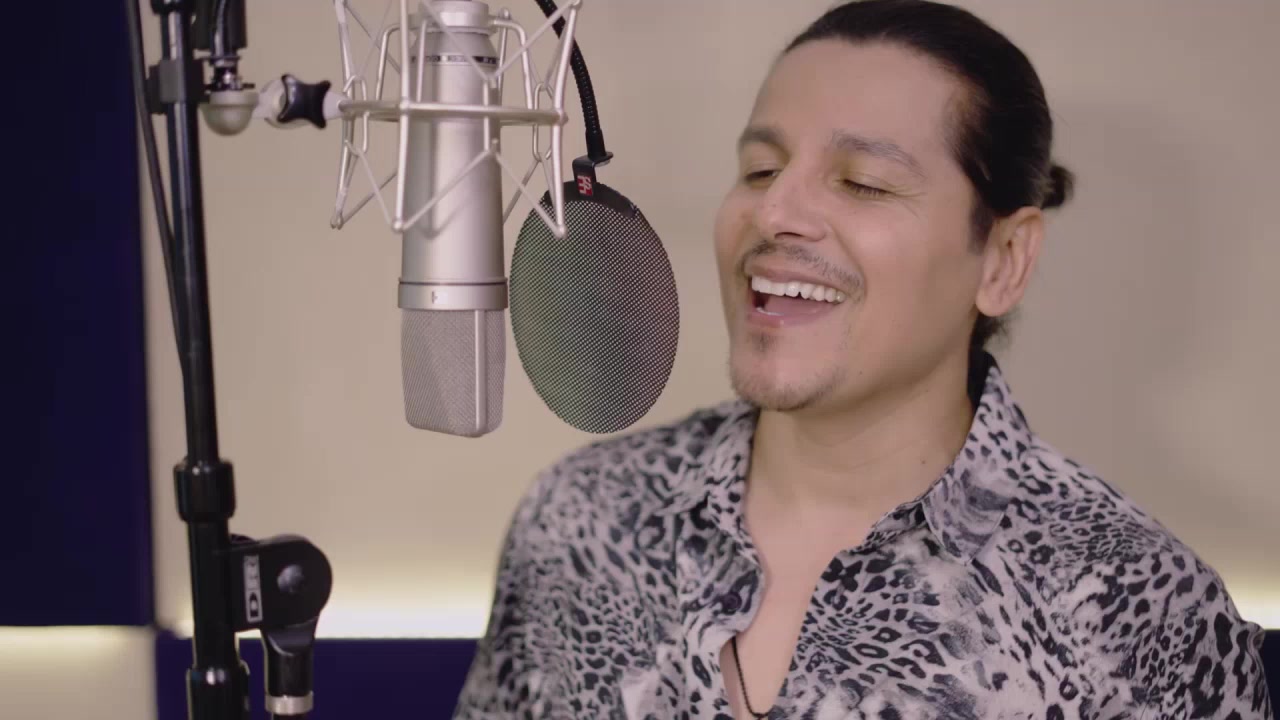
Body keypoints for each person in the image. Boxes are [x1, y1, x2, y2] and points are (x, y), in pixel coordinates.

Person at [451, 1, 1273, 717]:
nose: (775, 210)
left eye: (865, 183)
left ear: (1003, 259)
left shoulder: (1142, 608)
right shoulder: (580, 519)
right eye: (760, 169)